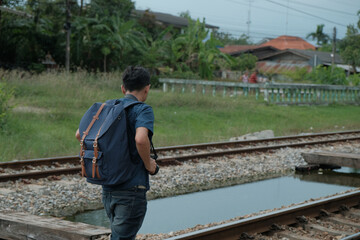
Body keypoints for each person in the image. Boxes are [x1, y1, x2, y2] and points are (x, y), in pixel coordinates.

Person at [75, 66, 157, 240]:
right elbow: (141, 139)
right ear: (147, 88)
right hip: (131, 189)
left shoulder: (107, 107)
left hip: (108, 188)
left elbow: (79, 134)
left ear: (123, 88)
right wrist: (149, 164)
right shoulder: (143, 109)